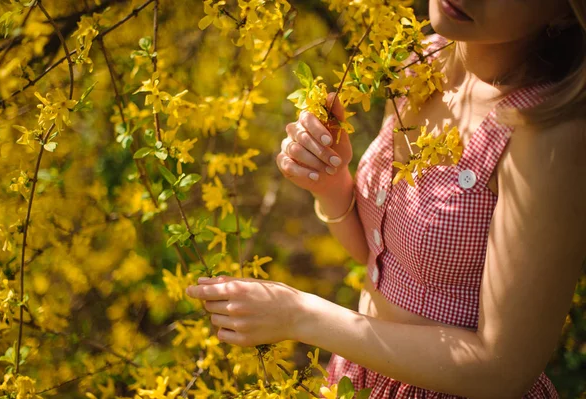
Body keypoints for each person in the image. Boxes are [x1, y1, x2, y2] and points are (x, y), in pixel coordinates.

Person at [185, 0, 586, 397]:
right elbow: (380, 259)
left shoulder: (547, 133)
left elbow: (502, 371)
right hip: (361, 377)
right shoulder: (421, 62)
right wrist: (331, 184)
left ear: (566, 10)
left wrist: (300, 317)